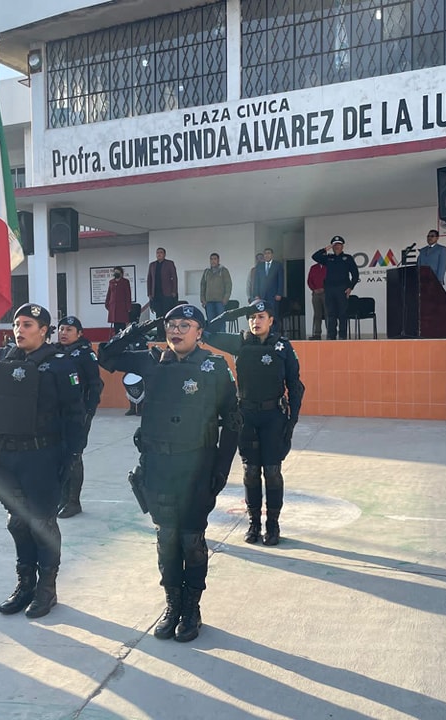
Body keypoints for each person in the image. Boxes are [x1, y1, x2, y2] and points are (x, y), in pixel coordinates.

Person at [98, 304, 240, 643]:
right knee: (166, 539)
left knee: (191, 540)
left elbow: (232, 422)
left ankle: (192, 607)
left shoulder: (215, 367)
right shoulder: (151, 360)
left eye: (184, 325)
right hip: (158, 467)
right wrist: (141, 327)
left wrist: (220, 470)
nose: (176, 330)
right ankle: (172, 604)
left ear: (200, 331)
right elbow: (107, 355)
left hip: (197, 467)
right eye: (171, 325)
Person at [0, 304, 86, 618]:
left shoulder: (60, 365)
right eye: (17, 324)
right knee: (17, 523)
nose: (19, 329)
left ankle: (47, 589)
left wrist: (72, 455)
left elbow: (76, 414)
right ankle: (24, 584)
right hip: (5, 455)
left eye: (28, 324)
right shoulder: (3, 358)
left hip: (41, 455)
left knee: (41, 523)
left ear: (44, 330)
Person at [207, 300, 304, 546]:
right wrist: (238, 311)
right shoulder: (240, 342)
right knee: (251, 472)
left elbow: (295, 384)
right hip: (246, 416)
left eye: (261, 316)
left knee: (272, 472)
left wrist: (291, 420)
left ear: (271, 320)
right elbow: (206, 330)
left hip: (274, 417)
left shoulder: (283, 346)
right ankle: (254, 524)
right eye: (251, 317)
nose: (255, 321)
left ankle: (273, 525)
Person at [54, 315, 104, 518]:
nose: (64, 333)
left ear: (79, 334)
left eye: (69, 330)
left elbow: (96, 385)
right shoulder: (56, 352)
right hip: (57, 413)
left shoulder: (85, 354)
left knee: (74, 455)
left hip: (78, 414)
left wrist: (88, 412)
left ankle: (73, 502)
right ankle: (62, 498)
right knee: (58, 454)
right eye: (61, 329)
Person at [312, 236, 359, 340]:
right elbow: (315, 256)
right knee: (331, 314)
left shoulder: (348, 258)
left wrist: (350, 287)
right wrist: (326, 249)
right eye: (335, 245)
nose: (337, 247)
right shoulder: (328, 258)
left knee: (342, 314)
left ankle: (342, 337)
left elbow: (355, 274)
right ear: (332, 247)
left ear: (342, 246)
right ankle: (331, 337)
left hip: (342, 289)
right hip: (329, 290)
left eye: (339, 245)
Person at [252, 248, 284, 323]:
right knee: (262, 314)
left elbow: (281, 280)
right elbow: (256, 281)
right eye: (265, 253)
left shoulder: (277, 265)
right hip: (261, 295)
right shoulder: (259, 266)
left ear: (272, 255)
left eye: (269, 253)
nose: (267, 255)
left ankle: (273, 332)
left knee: (273, 314)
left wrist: (279, 293)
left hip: (273, 295)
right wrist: (256, 294)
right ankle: (265, 333)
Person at [146, 247, 179, 320]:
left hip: (167, 294)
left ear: (164, 254)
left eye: (161, 252)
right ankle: (160, 331)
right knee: (159, 317)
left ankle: (167, 331)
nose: (159, 254)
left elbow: (174, 278)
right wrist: (149, 293)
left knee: (167, 315)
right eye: (157, 253)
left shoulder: (169, 263)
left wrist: (174, 291)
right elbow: (149, 279)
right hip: (156, 294)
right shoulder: (152, 265)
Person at [200, 253, 232, 324]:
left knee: (221, 322)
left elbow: (228, 285)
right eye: (211, 259)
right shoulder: (207, 272)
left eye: (215, 259)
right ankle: (212, 335)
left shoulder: (223, 271)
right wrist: (203, 299)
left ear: (218, 260)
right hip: (209, 302)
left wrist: (225, 299)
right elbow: (203, 285)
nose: (213, 261)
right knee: (211, 322)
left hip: (220, 301)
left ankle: (222, 335)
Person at [105, 266, 132, 334]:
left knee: (122, 325)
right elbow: (109, 294)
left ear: (121, 273)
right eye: (115, 272)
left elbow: (128, 295)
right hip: (113, 307)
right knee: (116, 325)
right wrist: (107, 304)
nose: (116, 273)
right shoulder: (111, 282)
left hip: (122, 307)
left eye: (118, 272)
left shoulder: (125, 282)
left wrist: (128, 307)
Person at [307, 261, 327, 340]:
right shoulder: (313, 267)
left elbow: (330, 280)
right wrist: (314, 289)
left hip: (326, 293)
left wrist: (324, 288)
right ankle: (317, 334)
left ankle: (330, 333)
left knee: (327, 313)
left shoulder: (328, 266)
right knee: (317, 314)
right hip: (315, 293)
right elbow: (309, 280)